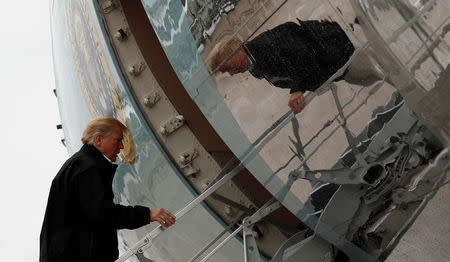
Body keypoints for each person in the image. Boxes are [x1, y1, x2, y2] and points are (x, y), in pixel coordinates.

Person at [40, 117, 176, 262]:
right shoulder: (87, 168)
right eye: (118, 140)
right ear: (98, 140)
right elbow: (103, 214)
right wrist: (147, 214)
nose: (122, 146)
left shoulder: (80, 164)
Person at [210, 19, 385, 113]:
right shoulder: (256, 67)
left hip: (342, 58)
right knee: (380, 75)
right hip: (338, 70)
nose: (232, 74)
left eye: (229, 68)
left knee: (385, 72)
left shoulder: (265, 45)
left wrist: (297, 89)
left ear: (236, 52)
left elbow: (305, 54)